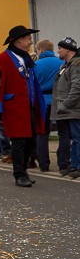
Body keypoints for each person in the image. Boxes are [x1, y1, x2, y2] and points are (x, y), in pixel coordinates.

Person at [0, 26, 44, 188]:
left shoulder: (25, 58)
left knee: (30, 140)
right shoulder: (2, 59)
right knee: (19, 141)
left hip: (29, 107)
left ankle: (24, 170)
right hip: (13, 108)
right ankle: (19, 174)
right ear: (19, 41)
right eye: (28, 39)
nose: (31, 42)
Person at [33, 39, 64, 173]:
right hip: (59, 101)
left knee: (42, 133)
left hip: (42, 102)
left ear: (40, 50)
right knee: (64, 133)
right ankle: (63, 163)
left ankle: (44, 164)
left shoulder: (35, 65)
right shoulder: (62, 63)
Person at [51, 37, 80, 178]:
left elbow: (77, 88)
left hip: (73, 109)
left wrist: (66, 104)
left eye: (60, 48)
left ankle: (77, 166)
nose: (58, 51)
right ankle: (74, 165)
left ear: (68, 50)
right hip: (67, 110)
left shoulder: (76, 65)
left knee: (78, 138)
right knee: (74, 138)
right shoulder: (67, 65)